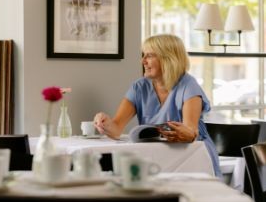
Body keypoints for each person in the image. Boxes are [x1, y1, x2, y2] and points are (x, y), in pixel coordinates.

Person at [93, 34, 222, 177]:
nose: (143, 61)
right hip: (157, 154)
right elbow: (116, 129)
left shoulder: (188, 85)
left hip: (191, 155)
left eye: (149, 56)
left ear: (168, 59)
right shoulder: (139, 87)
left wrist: (187, 133)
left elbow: (191, 131)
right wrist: (105, 123)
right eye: (143, 56)